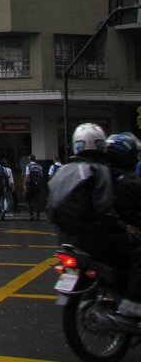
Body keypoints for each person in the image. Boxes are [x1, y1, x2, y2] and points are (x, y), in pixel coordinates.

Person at [47, 123, 141, 318]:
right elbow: (103, 208)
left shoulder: (63, 170)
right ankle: (132, 303)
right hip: (93, 239)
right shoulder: (99, 170)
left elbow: (49, 206)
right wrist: (122, 227)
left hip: (65, 239)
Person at [104, 132, 141, 317]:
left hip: (106, 235)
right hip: (122, 237)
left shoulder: (104, 178)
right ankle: (132, 303)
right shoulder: (128, 182)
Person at [24, 154, 44, 220]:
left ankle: (31, 215)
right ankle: (38, 215)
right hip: (37, 185)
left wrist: (25, 185)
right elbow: (41, 176)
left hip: (30, 185)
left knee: (29, 200)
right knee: (37, 200)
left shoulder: (28, 166)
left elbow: (27, 176)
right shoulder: (39, 166)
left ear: (29, 159)